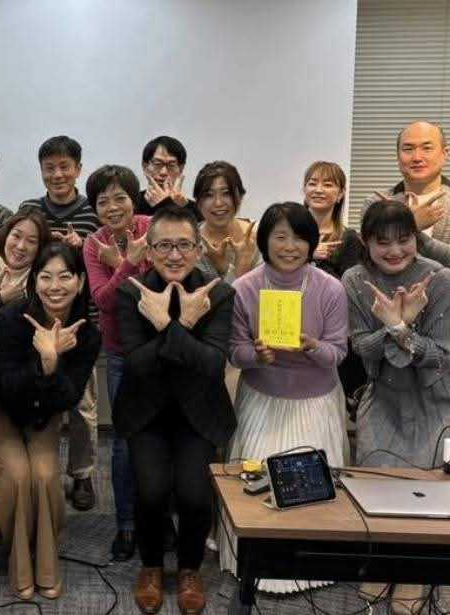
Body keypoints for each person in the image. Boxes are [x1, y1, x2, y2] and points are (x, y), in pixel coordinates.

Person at [343, 199, 450, 613]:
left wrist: (401, 329)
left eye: (404, 239)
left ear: (416, 238)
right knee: (378, 481)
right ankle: (385, 561)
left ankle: (415, 570)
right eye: (382, 242)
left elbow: (441, 354)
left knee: (429, 490)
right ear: (366, 242)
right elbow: (360, 346)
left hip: (441, 397)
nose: (395, 250)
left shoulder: (440, 278)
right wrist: (394, 328)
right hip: (385, 394)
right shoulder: (355, 279)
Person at [219, 202, 350, 594]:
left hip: (316, 398)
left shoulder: (330, 288)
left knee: (312, 491)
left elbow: (338, 352)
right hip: (263, 396)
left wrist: (313, 347)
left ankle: (312, 566)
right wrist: (255, 355)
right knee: (257, 487)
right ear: (264, 241)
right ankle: (254, 563)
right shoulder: (245, 287)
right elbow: (234, 351)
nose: (289, 246)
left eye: (298, 238)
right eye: (279, 237)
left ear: (311, 243)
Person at [115, 206, 235, 615]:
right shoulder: (131, 292)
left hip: (198, 412)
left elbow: (213, 364)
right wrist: (183, 329)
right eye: (164, 245)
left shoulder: (219, 293)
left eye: (184, 245)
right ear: (148, 251)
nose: (174, 255)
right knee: (150, 492)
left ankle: (189, 569)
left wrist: (169, 327)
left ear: (199, 249)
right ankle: (150, 566)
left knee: (195, 496)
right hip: (145, 410)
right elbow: (135, 364)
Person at [0, 243, 100, 600]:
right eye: (45, 277)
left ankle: (46, 566)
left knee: (46, 476)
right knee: (17, 476)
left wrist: (52, 367)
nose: (55, 286)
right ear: (34, 282)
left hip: (44, 412)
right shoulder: (10, 321)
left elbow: (69, 397)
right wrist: (43, 361)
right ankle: (19, 561)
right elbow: (8, 388)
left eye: (65, 276)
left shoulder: (87, 333)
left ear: (80, 282)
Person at [18, 135, 100, 511]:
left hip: (81, 319)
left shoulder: (93, 211)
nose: (58, 174)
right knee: (37, 391)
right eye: (49, 168)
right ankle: (37, 462)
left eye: (65, 166)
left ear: (78, 169)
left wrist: (83, 247)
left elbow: (102, 260)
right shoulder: (30, 209)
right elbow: (18, 252)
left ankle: (82, 474)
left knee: (83, 404)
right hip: (36, 320)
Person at [366, 121, 450, 367]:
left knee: (448, 393)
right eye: (408, 149)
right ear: (398, 156)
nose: (417, 157)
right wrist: (413, 223)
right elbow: (370, 261)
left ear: (445, 153)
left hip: (448, 331)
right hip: (388, 328)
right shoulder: (377, 202)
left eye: (426, 147)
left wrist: (410, 227)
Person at [81, 165, 151, 561]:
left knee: (160, 436)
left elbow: (163, 285)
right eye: (102, 200)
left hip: (160, 349)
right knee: (124, 441)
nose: (112, 207)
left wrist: (123, 265)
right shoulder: (94, 244)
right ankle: (125, 524)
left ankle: (158, 520)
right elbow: (104, 300)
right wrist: (127, 263)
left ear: (134, 199)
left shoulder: (153, 228)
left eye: (120, 197)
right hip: (121, 351)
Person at [302, 161, 367, 406]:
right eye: (312, 183)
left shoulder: (349, 239)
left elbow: (348, 292)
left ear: (340, 195)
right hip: (292, 327)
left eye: (328, 184)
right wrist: (307, 254)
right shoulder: (289, 234)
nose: (319, 189)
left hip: (330, 334)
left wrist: (313, 261)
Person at [193, 161, 261, 283]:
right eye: (209, 195)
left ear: (240, 196)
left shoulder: (260, 235)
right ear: (197, 201)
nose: (218, 203)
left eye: (226, 193)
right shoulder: (189, 241)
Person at [136, 135, 201, 221]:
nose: (163, 172)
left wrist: (167, 203)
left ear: (181, 169)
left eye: (171, 165)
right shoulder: (132, 203)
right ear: (145, 166)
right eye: (157, 164)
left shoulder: (193, 210)